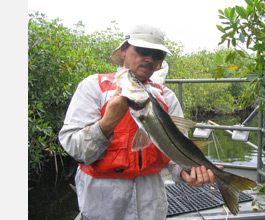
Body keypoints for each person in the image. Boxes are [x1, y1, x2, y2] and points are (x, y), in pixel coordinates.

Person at [59, 24, 221, 220]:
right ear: (125, 49)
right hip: (101, 204)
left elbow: (177, 152)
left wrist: (186, 174)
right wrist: (107, 123)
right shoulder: (93, 87)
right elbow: (75, 148)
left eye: (157, 55)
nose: (150, 59)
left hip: (151, 205)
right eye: (143, 50)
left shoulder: (166, 97)